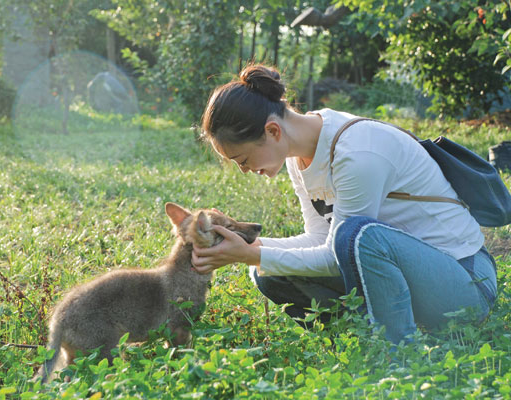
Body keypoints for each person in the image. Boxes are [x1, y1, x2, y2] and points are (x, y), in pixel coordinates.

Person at [192, 64, 497, 344]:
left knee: (358, 234)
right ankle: (360, 340)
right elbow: (320, 239)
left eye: (243, 160)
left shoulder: (356, 152)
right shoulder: (299, 157)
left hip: (464, 285)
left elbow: (342, 250)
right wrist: (244, 247)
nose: (245, 170)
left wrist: (249, 253)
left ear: (273, 131)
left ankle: (398, 351)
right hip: (401, 277)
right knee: (268, 270)